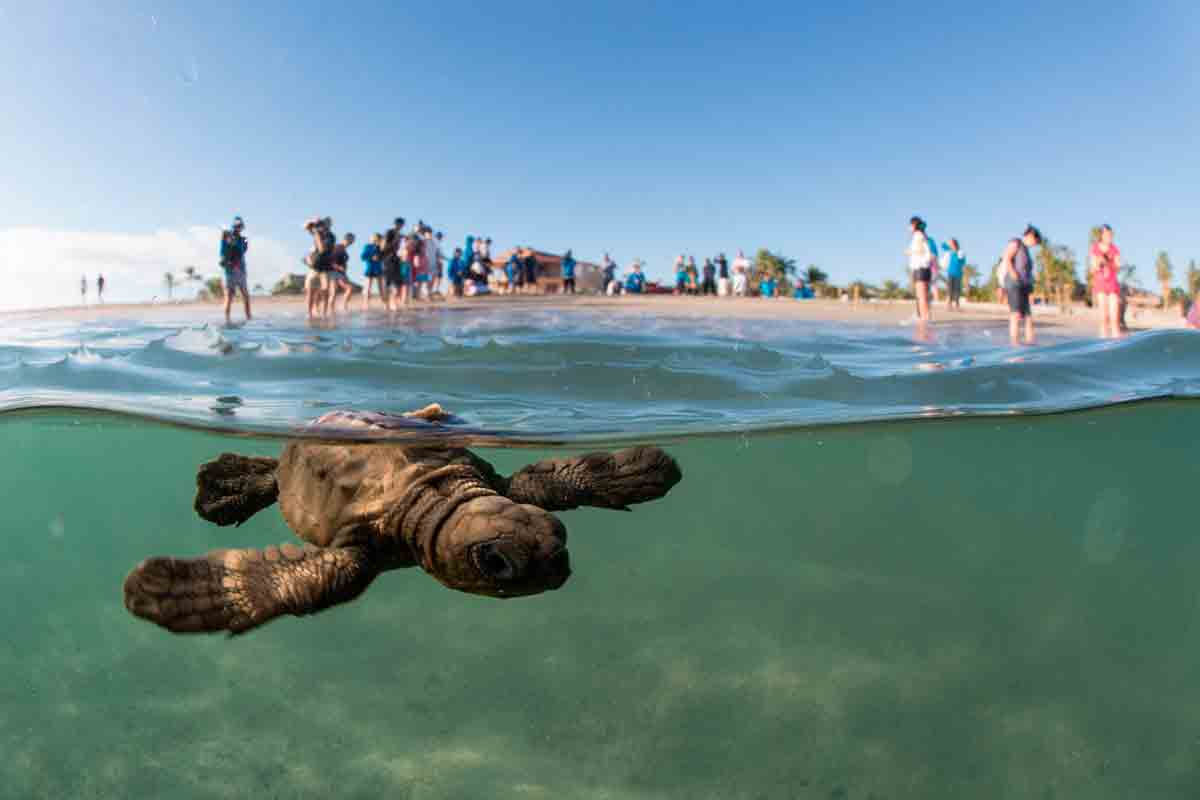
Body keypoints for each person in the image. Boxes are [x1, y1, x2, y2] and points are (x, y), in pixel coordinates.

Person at [1002, 224, 1043, 345]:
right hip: (1014, 284)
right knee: (1016, 314)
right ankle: (1014, 344)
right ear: (1030, 236)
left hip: (1024, 286)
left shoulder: (1026, 250)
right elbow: (1007, 257)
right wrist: (1013, 273)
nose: (1035, 244)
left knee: (1028, 316)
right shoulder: (1016, 243)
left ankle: (1031, 343)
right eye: (1036, 241)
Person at [1090, 224, 1122, 338]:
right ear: (1101, 235)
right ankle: (1102, 343)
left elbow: (1118, 267)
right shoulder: (1095, 248)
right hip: (1100, 283)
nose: (1109, 236)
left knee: (1114, 318)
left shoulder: (1115, 249)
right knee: (1103, 317)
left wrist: (1109, 262)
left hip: (1112, 284)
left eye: (1110, 234)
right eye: (1106, 234)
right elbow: (1093, 268)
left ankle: (1116, 342)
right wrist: (1099, 263)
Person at [220, 216, 252, 324]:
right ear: (233, 226)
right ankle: (227, 320)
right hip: (229, 271)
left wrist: (243, 242)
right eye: (236, 226)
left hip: (240, 271)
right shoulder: (226, 237)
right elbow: (224, 249)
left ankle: (249, 318)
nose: (238, 228)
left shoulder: (243, 240)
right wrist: (228, 237)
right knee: (229, 297)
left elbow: (243, 250)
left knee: (245, 296)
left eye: (240, 226)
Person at [906, 216, 935, 322]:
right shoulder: (924, 236)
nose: (908, 227)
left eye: (910, 225)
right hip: (925, 268)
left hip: (920, 268)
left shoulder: (918, 235)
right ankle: (924, 317)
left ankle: (924, 319)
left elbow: (919, 250)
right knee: (923, 296)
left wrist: (909, 252)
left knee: (921, 296)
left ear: (914, 225)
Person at [327, 233, 355, 315]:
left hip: (341, 273)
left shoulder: (343, 249)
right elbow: (330, 261)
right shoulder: (338, 248)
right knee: (334, 291)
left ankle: (343, 306)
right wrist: (339, 267)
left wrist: (343, 269)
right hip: (334, 272)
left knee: (348, 289)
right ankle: (332, 309)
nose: (351, 243)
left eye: (352, 241)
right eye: (351, 241)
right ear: (346, 239)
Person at [381, 218, 405, 308]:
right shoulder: (389, 232)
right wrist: (395, 240)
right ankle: (387, 304)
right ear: (395, 224)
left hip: (396, 259)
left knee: (398, 282)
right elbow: (383, 247)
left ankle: (393, 303)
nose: (400, 226)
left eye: (401, 225)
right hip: (388, 259)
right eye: (398, 224)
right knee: (388, 282)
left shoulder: (399, 234)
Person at [361, 233, 384, 311]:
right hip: (370, 268)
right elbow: (362, 257)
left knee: (381, 287)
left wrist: (380, 257)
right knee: (368, 287)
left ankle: (383, 302)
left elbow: (383, 256)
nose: (376, 241)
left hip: (379, 269)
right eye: (375, 239)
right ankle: (366, 303)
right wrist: (371, 257)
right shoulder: (368, 246)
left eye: (378, 239)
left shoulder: (380, 247)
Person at [941, 238, 966, 310]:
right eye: (950, 244)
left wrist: (963, 272)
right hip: (950, 272)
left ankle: (957, 305)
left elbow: (962, 262)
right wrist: (948, 243)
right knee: (949, 289)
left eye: (952, 244)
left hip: (958, 273)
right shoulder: (949, 251)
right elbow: (942, 245)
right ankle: (949, 304)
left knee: (957, 289)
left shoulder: (960, 252)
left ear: (955, 244)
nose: (951, 245)